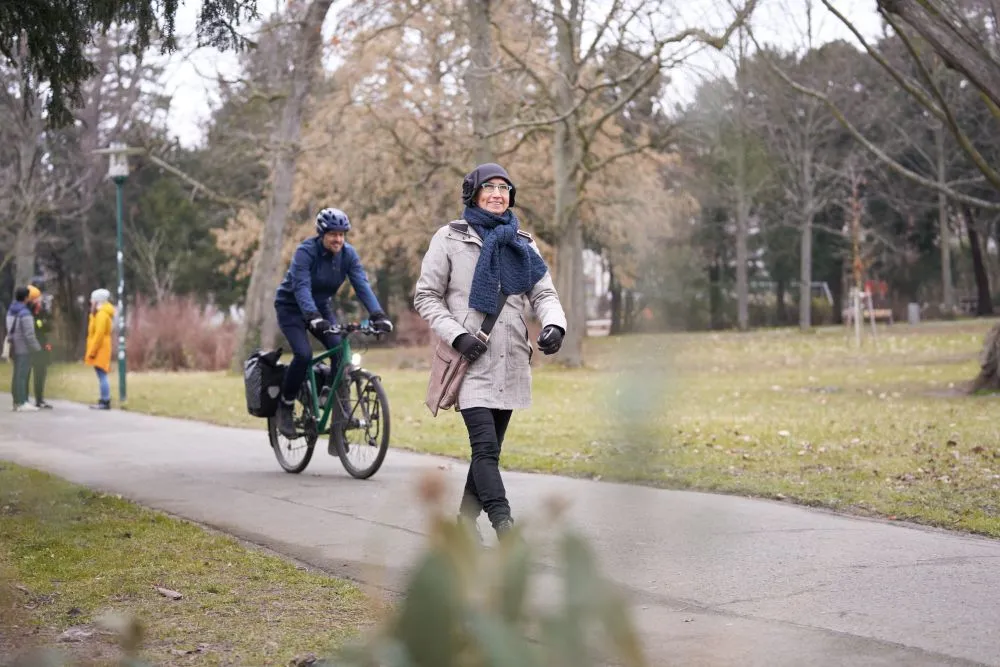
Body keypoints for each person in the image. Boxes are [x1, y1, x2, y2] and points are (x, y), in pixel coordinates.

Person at [413, 162, 567, 541]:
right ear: (474, 193)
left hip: (511, 358)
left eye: (504, 188)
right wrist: (456, 335)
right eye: (490, 187)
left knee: (489, 453)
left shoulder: (523, 244)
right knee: (484, 447)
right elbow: (426, 296)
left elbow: (543, 293)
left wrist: (554, 324)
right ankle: (504, 524)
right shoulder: (449, 238)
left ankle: (464, 524)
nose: (498, 194)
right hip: (470, 360)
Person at [273, 207, 393, 441]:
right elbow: (301, 287)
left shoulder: (348, 255)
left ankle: (332, 398)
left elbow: (361, 285)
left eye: (342, 234)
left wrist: (378, 315)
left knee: (339, 349)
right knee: (303, 354)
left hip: (321, 307)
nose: (338, 239)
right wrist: (312, 317)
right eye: (333, 234)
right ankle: (285, 405)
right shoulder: (305, 253)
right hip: (291, 309)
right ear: (321, 234)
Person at [6, 287, 43, 412]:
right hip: (24, 348)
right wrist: (38, 349)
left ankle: (16, 401)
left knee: (17, 375)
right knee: (22, 375)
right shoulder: (25, 313)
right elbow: (29, 335)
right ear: (26, 298)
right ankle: (22, 402)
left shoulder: (11, 310)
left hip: (14, 347)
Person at [85, 288, 115, 410]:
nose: (90, 301)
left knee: (102, 374)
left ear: (98, 301)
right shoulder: (99, 313)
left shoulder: (102, 314)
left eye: (92, 300)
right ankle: (104, 399)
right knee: (101, 374)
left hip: (100, 348)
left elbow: (99, 335)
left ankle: (105, 400)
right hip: (101, 347)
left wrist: (92, 352)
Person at [25, 284, 54, 409]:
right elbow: (35, 328)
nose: (40, 301)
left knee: (40, 373)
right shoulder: (27, 313)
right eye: (37, 298)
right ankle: (24, 399)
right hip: (30, 347)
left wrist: (44, 315)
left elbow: (47, 328)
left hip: (42, 346)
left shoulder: (41, 312)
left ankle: (39, 399)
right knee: (26, 374)